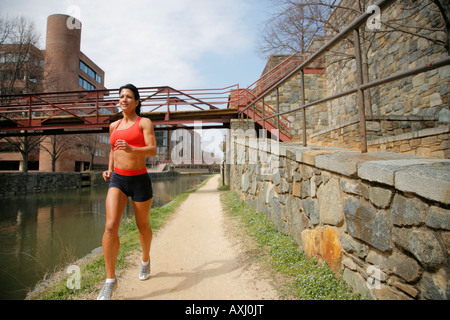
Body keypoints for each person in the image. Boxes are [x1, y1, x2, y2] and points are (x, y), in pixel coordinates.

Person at [97, 84, 157, 300]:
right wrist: (110, 169)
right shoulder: (114, 126)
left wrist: (133, 149)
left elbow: (152, 149)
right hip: (118, 179)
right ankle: (110, 281)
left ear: (136, 102)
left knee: (143, 226)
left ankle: (145, 259)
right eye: (121, 96)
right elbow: (114, 149)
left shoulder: (144, 123)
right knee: (111, 225)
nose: (124, 99)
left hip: (140, 179)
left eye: (129, 97)